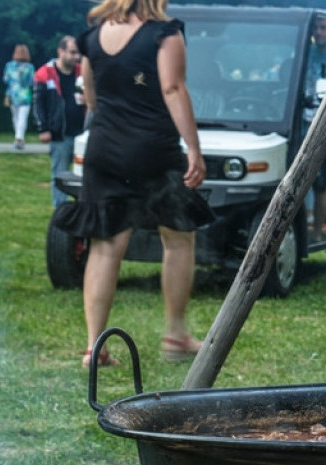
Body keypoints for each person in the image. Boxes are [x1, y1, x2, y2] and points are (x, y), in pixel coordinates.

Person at [54, 0, 212, 369]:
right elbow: (172, 89)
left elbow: (91, 97)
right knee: (177, 236)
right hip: (153, 148)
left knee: (106, 244)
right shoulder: (164, 33)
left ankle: (95, 348)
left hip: (104, 148)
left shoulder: (92, 37)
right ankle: (175, 333)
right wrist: (194, 148)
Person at [33, 35, 85, 208]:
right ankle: (60, 212)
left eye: (78, 53)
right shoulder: (45, 73)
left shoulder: (83, 72)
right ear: (60, 51)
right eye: (72, 52)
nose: (76, 57)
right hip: (59, 133)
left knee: (84, 175)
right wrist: (43, 128)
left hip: (82, 132)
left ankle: (82, 208)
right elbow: (38, 104)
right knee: (61, 174)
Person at [305, 15, 326, 234]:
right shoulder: (306, 55)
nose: (319, 32)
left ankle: (317, 230)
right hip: (303, 121)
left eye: (323, 28)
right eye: (316, 28)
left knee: (321, 183)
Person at [3, 44, 34, 150]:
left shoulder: (9, 66)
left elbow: (6, 80)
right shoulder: (29, 67)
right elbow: (31, 82)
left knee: (15, 117)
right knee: (22, 118)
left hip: (13, 94)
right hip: (25, 95)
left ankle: (18, 138)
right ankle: (19, 138)